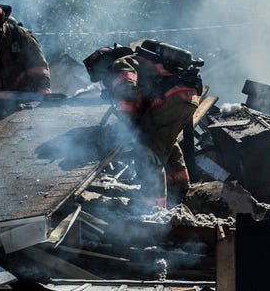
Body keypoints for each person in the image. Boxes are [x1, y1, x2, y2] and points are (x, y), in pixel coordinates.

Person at [83, 38, 202, 211]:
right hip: (185, 98)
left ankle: (153, 209)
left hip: (169, 100)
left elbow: (127, 88)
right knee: (166, 145)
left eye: (102, 77)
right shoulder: (141, 62)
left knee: (147, 153)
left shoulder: (120, 64)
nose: (105, 82)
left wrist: (128, 121)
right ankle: (181, 191)